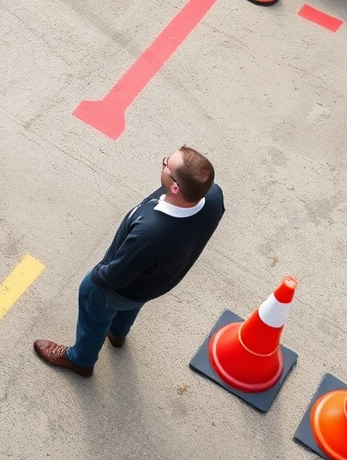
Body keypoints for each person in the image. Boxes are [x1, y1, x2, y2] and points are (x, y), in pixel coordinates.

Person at [34, 146, 225, 377]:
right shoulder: (213, 195)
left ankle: (80, 360)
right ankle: (117, 333)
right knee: (134, 301)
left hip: (116, 288)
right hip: (155, 282)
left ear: (175, 187)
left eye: (167, 165)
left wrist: (94, 279)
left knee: (95, 309)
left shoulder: (151, 234)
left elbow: (113, 277)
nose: (163, 164)